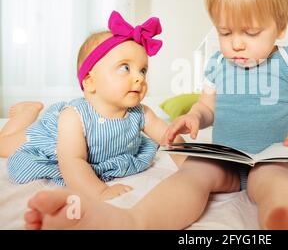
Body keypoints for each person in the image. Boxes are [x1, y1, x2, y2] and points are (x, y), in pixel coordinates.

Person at [24, 0, 288, 230]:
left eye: (251, 32)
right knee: (192, 174)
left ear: (281, 25)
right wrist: (193, 117)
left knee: (276, 184)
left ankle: (283, 218)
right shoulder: (218, 63)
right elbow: (207, 108)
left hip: (272, 160)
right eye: (225, 32)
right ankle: (135, 221)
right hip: (227, 158)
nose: (237, 44)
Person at [1, 11, 185, 201]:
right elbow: (73, 161)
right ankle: (25, 114)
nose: (139, 77)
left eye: (143, 70)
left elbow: (169, 137)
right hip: (52, 140)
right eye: (125, 68)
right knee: (2, 144)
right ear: (90, 81)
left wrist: (192, 166)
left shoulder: (142, 113)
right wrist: (100, 191)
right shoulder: (73, 117)